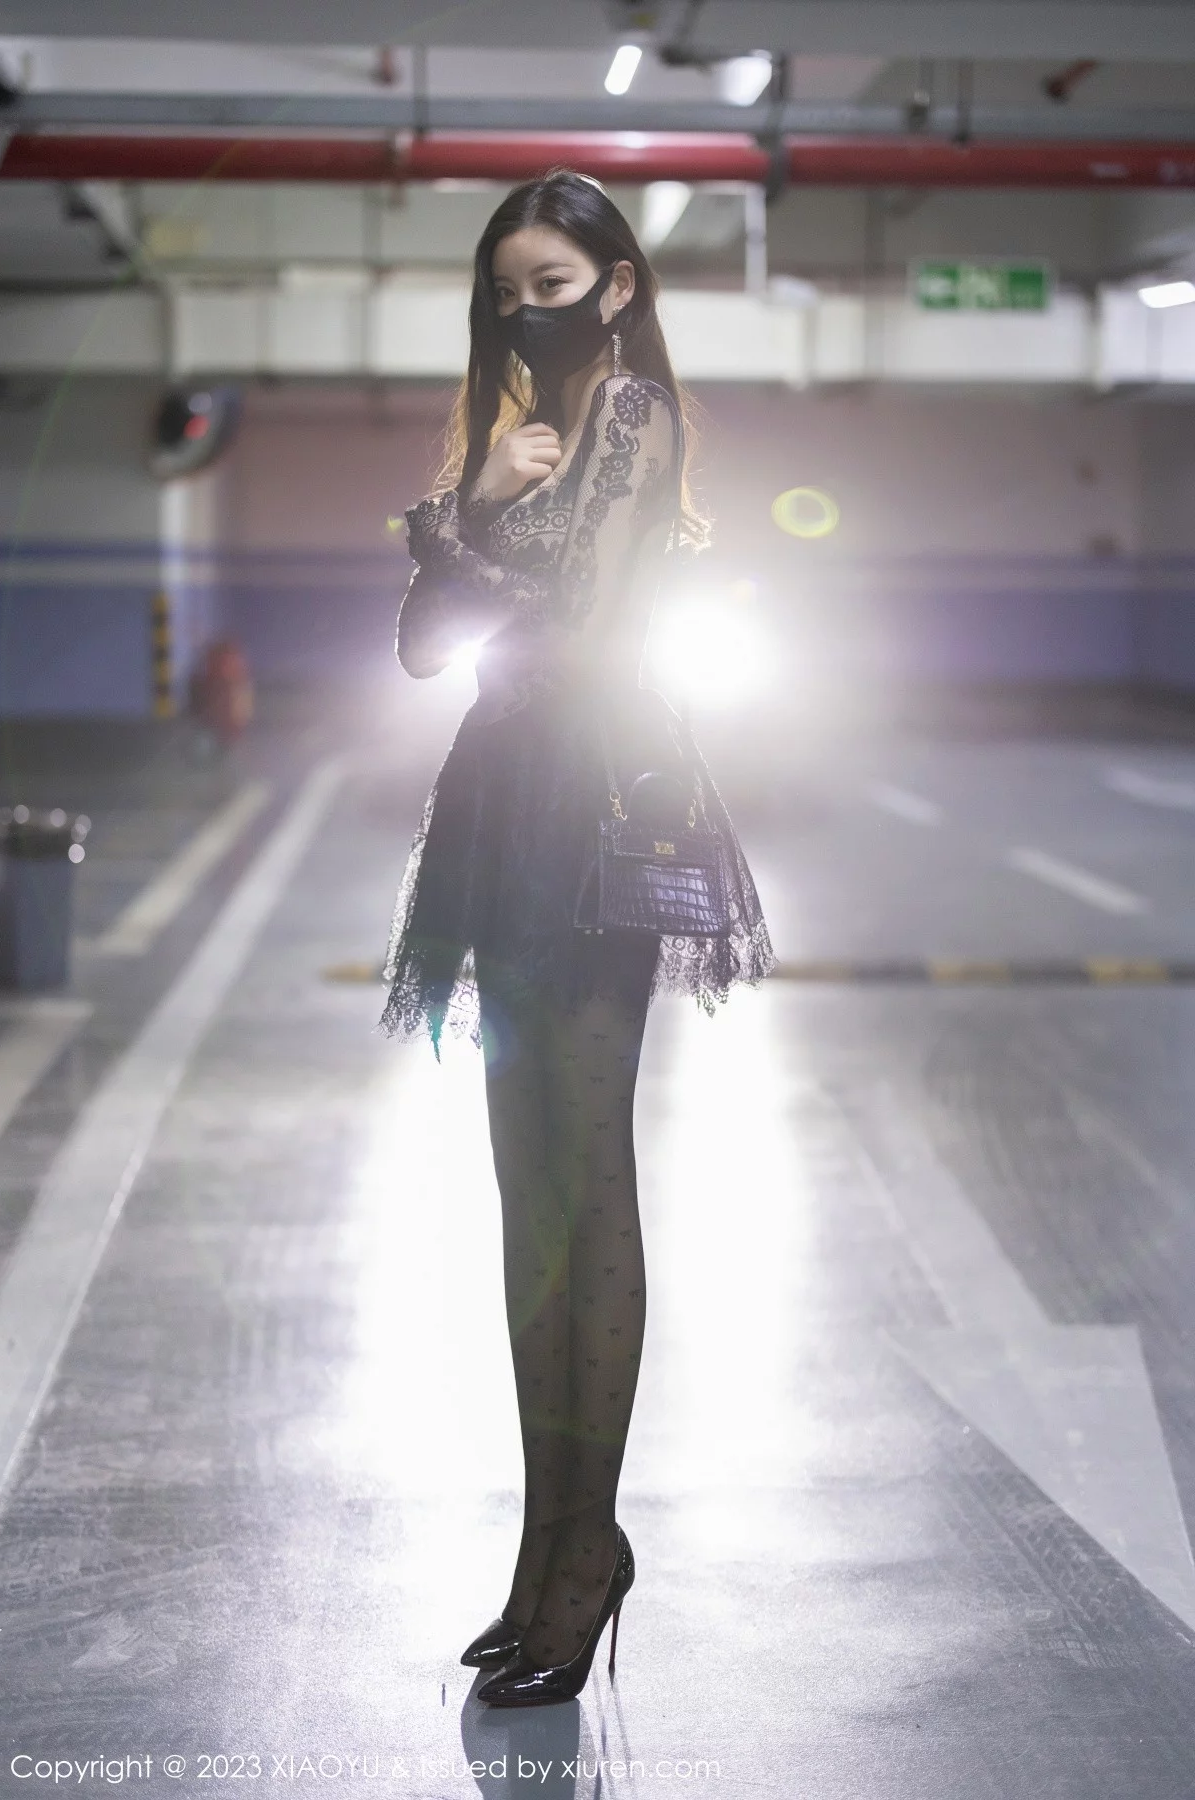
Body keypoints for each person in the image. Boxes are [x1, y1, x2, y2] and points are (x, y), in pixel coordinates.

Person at [376, 168, 777, 1707]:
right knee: (524, 1193)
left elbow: (582, 626)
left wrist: (464, 527)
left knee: (586, 1177)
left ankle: (588, 1548)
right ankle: (545, 1550)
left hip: (600, 814)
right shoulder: (512, 441)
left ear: (615, 288)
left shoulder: (631, 417)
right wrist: (475, 503)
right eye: (506, 292)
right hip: (495, 808)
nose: (525, 312)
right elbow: (428, 648)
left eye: (552, 285)